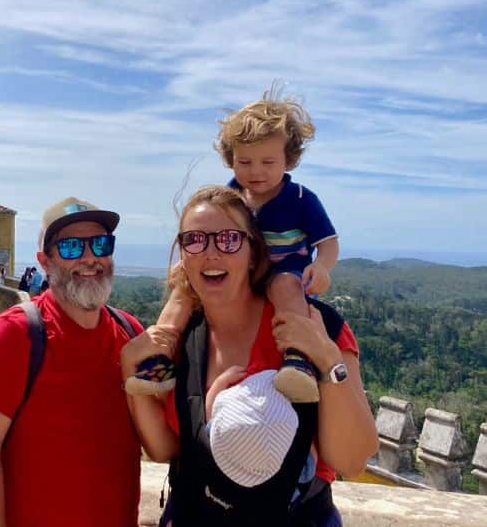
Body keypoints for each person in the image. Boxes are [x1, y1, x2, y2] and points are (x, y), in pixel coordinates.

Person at [121, 185, 377, 525]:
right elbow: (165, 449)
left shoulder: (312, 327)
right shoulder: (181, 339)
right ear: (183, 257)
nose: (211, 253)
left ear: (253, 252)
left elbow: (351, 460)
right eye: (194, 240)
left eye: (228, 239)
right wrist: (130, 370)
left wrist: (328, 360)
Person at [128, 89, 338, 404]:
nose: (256, 171)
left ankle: (299, 359)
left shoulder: (300, 200)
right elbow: (207, 230)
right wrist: (189, 261)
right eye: (245, 162)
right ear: (231, 160)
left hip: (284, 271)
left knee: (285, 286)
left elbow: (328, 242)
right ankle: (161, 357)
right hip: (240, 274)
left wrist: (321, 266)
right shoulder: (232, 196)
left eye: (268, 161)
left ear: (288, 159)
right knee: (183, 290)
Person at [0, 197, 143, 527]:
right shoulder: (14, 334)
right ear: (44, 261)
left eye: (101, 244)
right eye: (72, 247)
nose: (90, 257)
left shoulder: (131, 333)